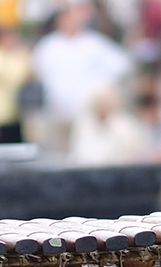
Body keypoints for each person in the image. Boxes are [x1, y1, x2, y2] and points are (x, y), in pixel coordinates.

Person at [31, 0, 131, 154]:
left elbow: (121, 64)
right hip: (56, 111)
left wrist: (99, 85)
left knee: (81, 151)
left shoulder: (92, 43)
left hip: (83, 112)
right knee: (58, 153)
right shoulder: (48, 45)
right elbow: (37, 71)